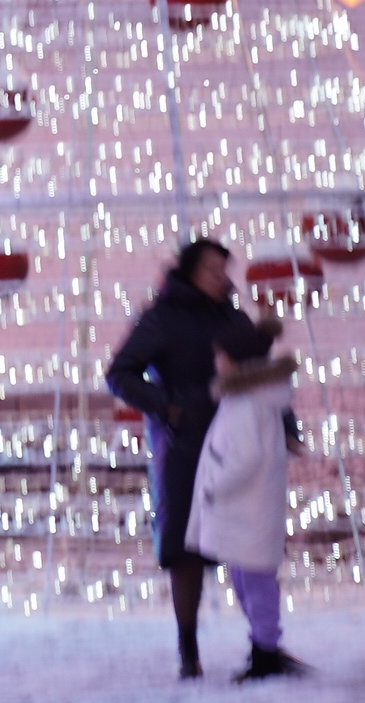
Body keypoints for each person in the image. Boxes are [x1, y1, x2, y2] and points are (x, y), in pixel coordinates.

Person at [105, 240, 277, 680]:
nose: (222, 277)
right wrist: (170, 406)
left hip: (236, 443)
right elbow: (120, 373)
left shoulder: (233, 318)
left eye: (225, 269)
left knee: (248, 541)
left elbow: (261, 372)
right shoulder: (160, 318)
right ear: (190, 272)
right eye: (212, 270)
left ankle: (264, 646)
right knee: (185, 550)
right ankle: (188, 648)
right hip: (181, 448)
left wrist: (286, 425)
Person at [185, 345, 306, 681]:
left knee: (254, 581)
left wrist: (215, 487)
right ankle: (264, 648)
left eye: (221, 355)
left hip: (245, 507)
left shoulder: (246, 402)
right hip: (249, 508)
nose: (215, 362)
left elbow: (246, 457)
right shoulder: (250, 399)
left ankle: (266, 652)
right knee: (249, 579)